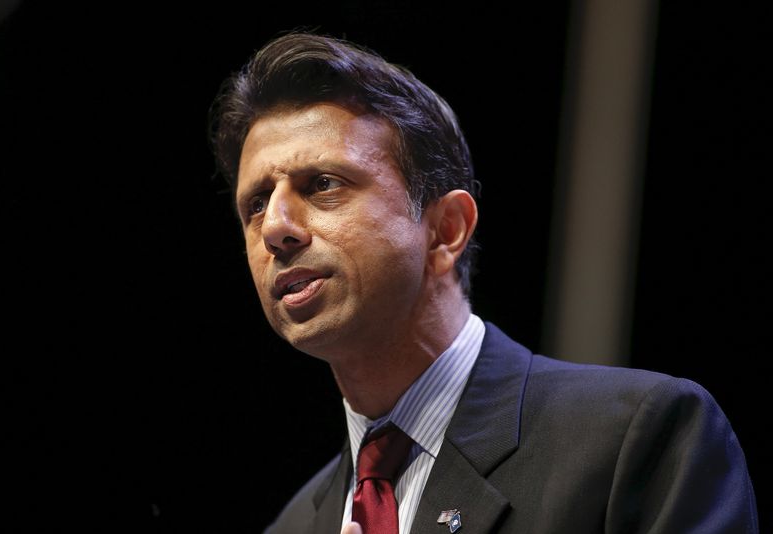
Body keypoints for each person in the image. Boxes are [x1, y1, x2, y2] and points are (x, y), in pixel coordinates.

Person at [209, 32, 758, 534]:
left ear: (446, 231)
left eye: (322, 184)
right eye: (256, 204)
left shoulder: (634, 442)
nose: (276, 227)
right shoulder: (293, 526)